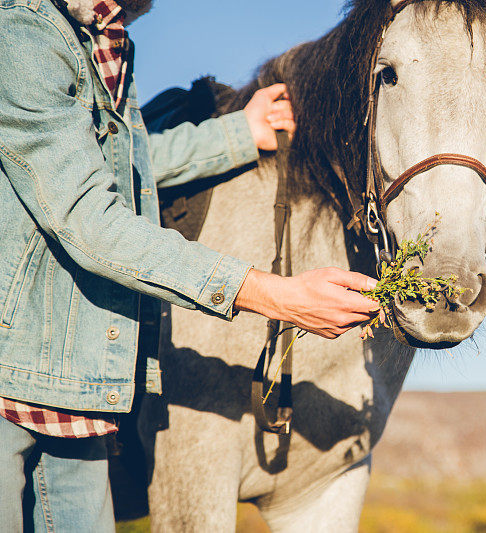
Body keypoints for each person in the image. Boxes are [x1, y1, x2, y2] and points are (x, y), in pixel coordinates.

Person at [0, 0, 378, 530]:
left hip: (74, 390)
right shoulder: (19, 33)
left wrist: (239, 134)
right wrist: (273, 294)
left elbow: (119, 164)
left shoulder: (104, 39)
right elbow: (87, 218)